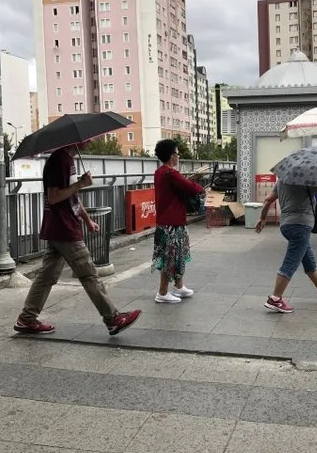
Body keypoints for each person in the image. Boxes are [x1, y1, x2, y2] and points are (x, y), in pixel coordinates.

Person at [14, 144, 141, 335]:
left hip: (61, 227)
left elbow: (71, 195)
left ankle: (26, 318)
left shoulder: (67, 160)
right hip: (64, 229)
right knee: (89, 274)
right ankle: (112, 318)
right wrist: (80, 184)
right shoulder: (60, 161)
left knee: (46, 277)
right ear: (75, 140)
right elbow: (54, 196)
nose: (91, 140)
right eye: (88, 138)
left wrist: (87, 219)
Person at [255, 181, 317, 313]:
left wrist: (262, 219)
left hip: (286, 225)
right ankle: (275, 298)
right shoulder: (306, 180)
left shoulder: (282, 182)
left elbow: (267, 200)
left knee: (308, 258)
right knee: (291, 261)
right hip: (300, 225)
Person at [152, 139, 204, 303]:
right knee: (170, 257)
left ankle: (179, 286)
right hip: (171, 223)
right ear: (171, 155)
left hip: (168, 221)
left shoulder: (160, 172)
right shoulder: (170, 173)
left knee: (178, 255)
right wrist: (201, 188)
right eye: (177, 153)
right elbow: (190, 186)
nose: (178, 156)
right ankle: (162, 292)